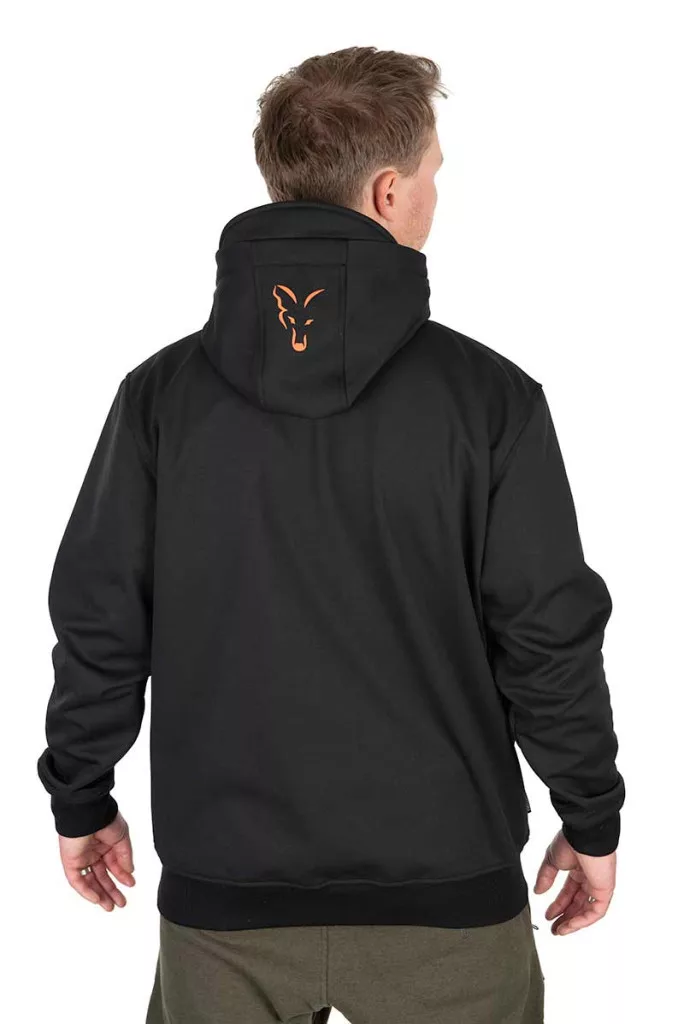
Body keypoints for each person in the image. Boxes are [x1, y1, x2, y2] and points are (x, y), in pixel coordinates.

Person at [37, 46, 625, 1023]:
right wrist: (590, 813)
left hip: (225, 902)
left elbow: (102, 619)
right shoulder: (490, 402)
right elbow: (545, 636)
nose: (436, 193)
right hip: (448, 903)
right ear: (390, 191)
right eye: (433, 173)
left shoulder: (161, 402)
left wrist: (82, 796)